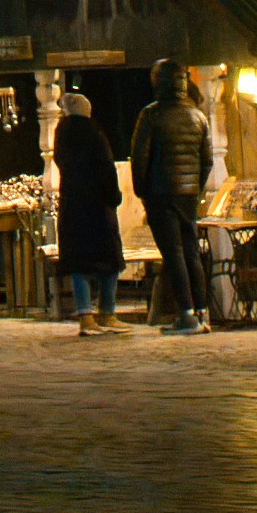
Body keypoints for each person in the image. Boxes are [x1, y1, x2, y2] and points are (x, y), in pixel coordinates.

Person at [128, 78, 213, 332]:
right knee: (191, 250)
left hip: (160, 193)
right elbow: (207, 161)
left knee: (173, 253)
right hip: (188, 195)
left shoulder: (151, 114)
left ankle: (186, 313)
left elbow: (140, 157)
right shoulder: (198, 117)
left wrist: (142, 191)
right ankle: (202, 311)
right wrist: (195, 187)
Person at [52, 84, 127, 329]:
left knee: (79, 262)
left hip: (72, 205)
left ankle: (85, 315)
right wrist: (114, 197)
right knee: (109, 261)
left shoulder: (61, 134)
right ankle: (107, 312)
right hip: (97, 206)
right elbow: (106, 167)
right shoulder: (93, 132)